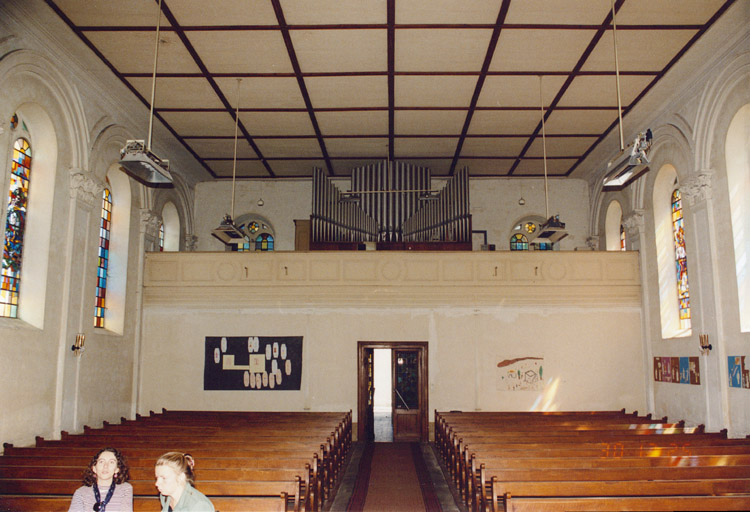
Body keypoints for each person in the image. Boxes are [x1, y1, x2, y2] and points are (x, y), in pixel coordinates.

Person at [69, 447, 133, 512]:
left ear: (117, 469)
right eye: (101, 462)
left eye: (111, 462)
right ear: (94, 468)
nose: (105, 466)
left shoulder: (125, 489)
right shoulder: (81, 492)